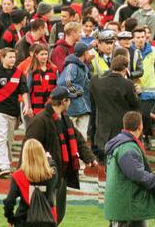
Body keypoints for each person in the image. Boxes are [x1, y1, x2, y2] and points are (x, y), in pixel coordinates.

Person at [24, 86, 97, 224]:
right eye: (70, 100)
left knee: (58, 215)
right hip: (43, 177)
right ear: (64, 101)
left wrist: (89, 157)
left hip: (61, 176)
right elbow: (28, 149)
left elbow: (77, 139)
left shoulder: (65, 119)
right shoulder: (40, 121)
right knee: (42, 217)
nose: (71, 103)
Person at [104, 111, 155, 226]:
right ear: (140, 127)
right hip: (128, 207)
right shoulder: (128, 147)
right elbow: (138, 174)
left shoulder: (119, 144)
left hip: (123, 205)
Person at [0, 47, 31, 177]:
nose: (13, 59)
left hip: (13, 111)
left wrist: (27, 105)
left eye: (14, 57)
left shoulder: (18, 73)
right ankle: (1, 165)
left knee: (9, 139)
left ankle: (7, 162)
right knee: (0, 136)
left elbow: (24, 91)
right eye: (10, 57)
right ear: (2, 58)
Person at [3, 139, 57, 227]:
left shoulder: (18, 176)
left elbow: (9, 201)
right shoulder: (52, 174)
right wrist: (48, 159)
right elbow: (52, 165)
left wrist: (10, 218)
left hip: (24, 220)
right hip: (48, 218)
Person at [58, 42, 93, 140]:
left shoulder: (83, 66)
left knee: (82, 138)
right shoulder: (72, 66)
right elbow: (65, 82)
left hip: (84, 107)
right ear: (85, 53)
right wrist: (78, 92)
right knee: (71, 138)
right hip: (72, 108)